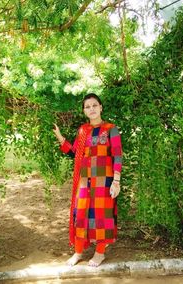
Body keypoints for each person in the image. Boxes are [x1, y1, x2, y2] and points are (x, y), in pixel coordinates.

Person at [52, 93, 122, 267]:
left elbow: (118, 156)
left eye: (94, 105)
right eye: (87, 107)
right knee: (81, 215)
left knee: (101, 216)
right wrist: (60, 138)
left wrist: (116, 181)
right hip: (84, 181)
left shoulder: (110, 129)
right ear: (84, 111)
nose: (91, 109)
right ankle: (78, 252)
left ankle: (99, 253)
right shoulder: (83, 130)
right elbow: (75, 153)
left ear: (100, 107)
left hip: (104, 181)